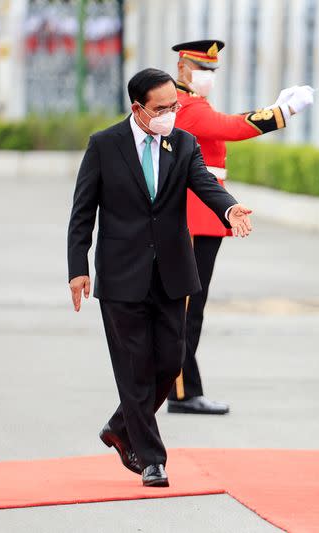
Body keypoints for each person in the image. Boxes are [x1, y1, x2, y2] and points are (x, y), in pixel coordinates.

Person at [67, 68, 252, 487]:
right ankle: (151, 458)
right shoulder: (104, 145)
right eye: (163, 108)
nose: (173, 113)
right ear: (138, 108)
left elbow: (205, 183)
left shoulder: (183, 143)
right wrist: (78, 267)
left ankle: (120, 425)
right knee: (134, 366)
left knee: (169, 360)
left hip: (171, 270)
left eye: (175, 105)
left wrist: (229, 208)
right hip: (120, 274)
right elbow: (82, 213)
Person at [167, 40, 314, 415]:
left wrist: (276, 108)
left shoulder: (191, 104)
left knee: (192, 306)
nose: (209, 77)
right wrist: (281, 111)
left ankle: (185, 387)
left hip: (202, 210)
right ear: (183, 67)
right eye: (204, 69)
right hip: (194, 213)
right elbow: (231, 128)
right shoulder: (184, 106)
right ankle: (180, 390)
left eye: (213, 71)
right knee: (187, 307)